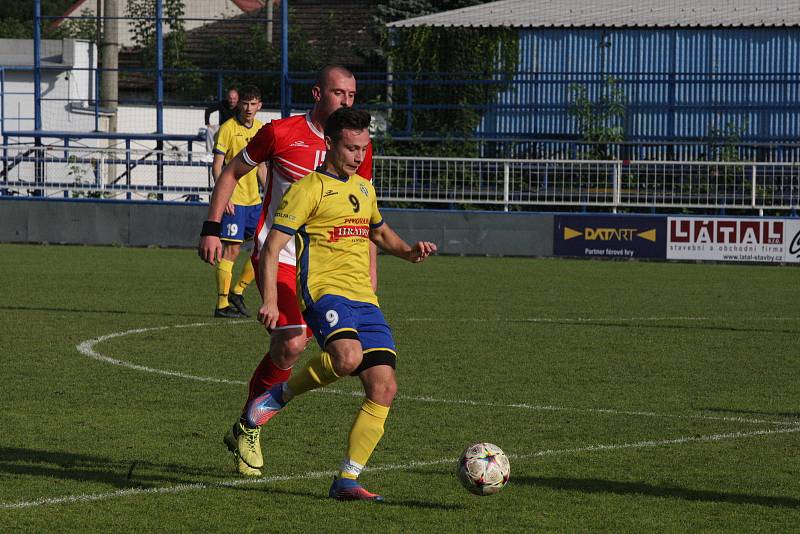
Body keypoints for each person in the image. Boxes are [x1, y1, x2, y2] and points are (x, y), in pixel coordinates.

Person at [248, 107, 436, 501]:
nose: (357, 156)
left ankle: (347, 479)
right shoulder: (308, 188)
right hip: (324, 290)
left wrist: (409, 252)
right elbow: (272, 246)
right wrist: (269, 298)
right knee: (347, 358)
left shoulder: (364, 189)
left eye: (363, 149)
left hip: (364, 299)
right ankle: (278, 397)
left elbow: (381, 234)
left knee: (384, 387)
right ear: (330, 144)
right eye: (351, 148)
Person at [198, 65, 375, 476]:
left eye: (352, 94)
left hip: (326, 270)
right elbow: (231, 172)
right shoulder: (281, 133)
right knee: (294, 343)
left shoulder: (356, 146)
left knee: (330, 355)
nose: (346, 101)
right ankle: (252, 427)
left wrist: (368, 280)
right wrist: (211, 226)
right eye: (338, 93)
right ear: (317, 93)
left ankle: (247, 421)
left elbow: (363, 217)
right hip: (277, 255)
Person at [209, 85, 266, 318]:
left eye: (253, 104)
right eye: (245, 103)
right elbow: (217, 165)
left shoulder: (262, 130)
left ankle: (238, 291)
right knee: (231, 250)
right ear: (238, 104)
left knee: (264, 246)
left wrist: (270, 192)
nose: (249, 108)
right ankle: (222, 305)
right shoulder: (228, 129)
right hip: (235, 201)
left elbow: (262, 166)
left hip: (255, 202)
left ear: (259, 105)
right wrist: (226, 196)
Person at [204, 88, 240, 155]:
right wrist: (207, 123)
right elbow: (208, 110)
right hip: (222, 127)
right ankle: (209, 154)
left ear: (238, 99)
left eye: (234, 98)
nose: (232, 100)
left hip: (236, 128)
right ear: (227, 98)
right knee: (209, 130)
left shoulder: (241, 106)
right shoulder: (223, 103)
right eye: (230, 98)